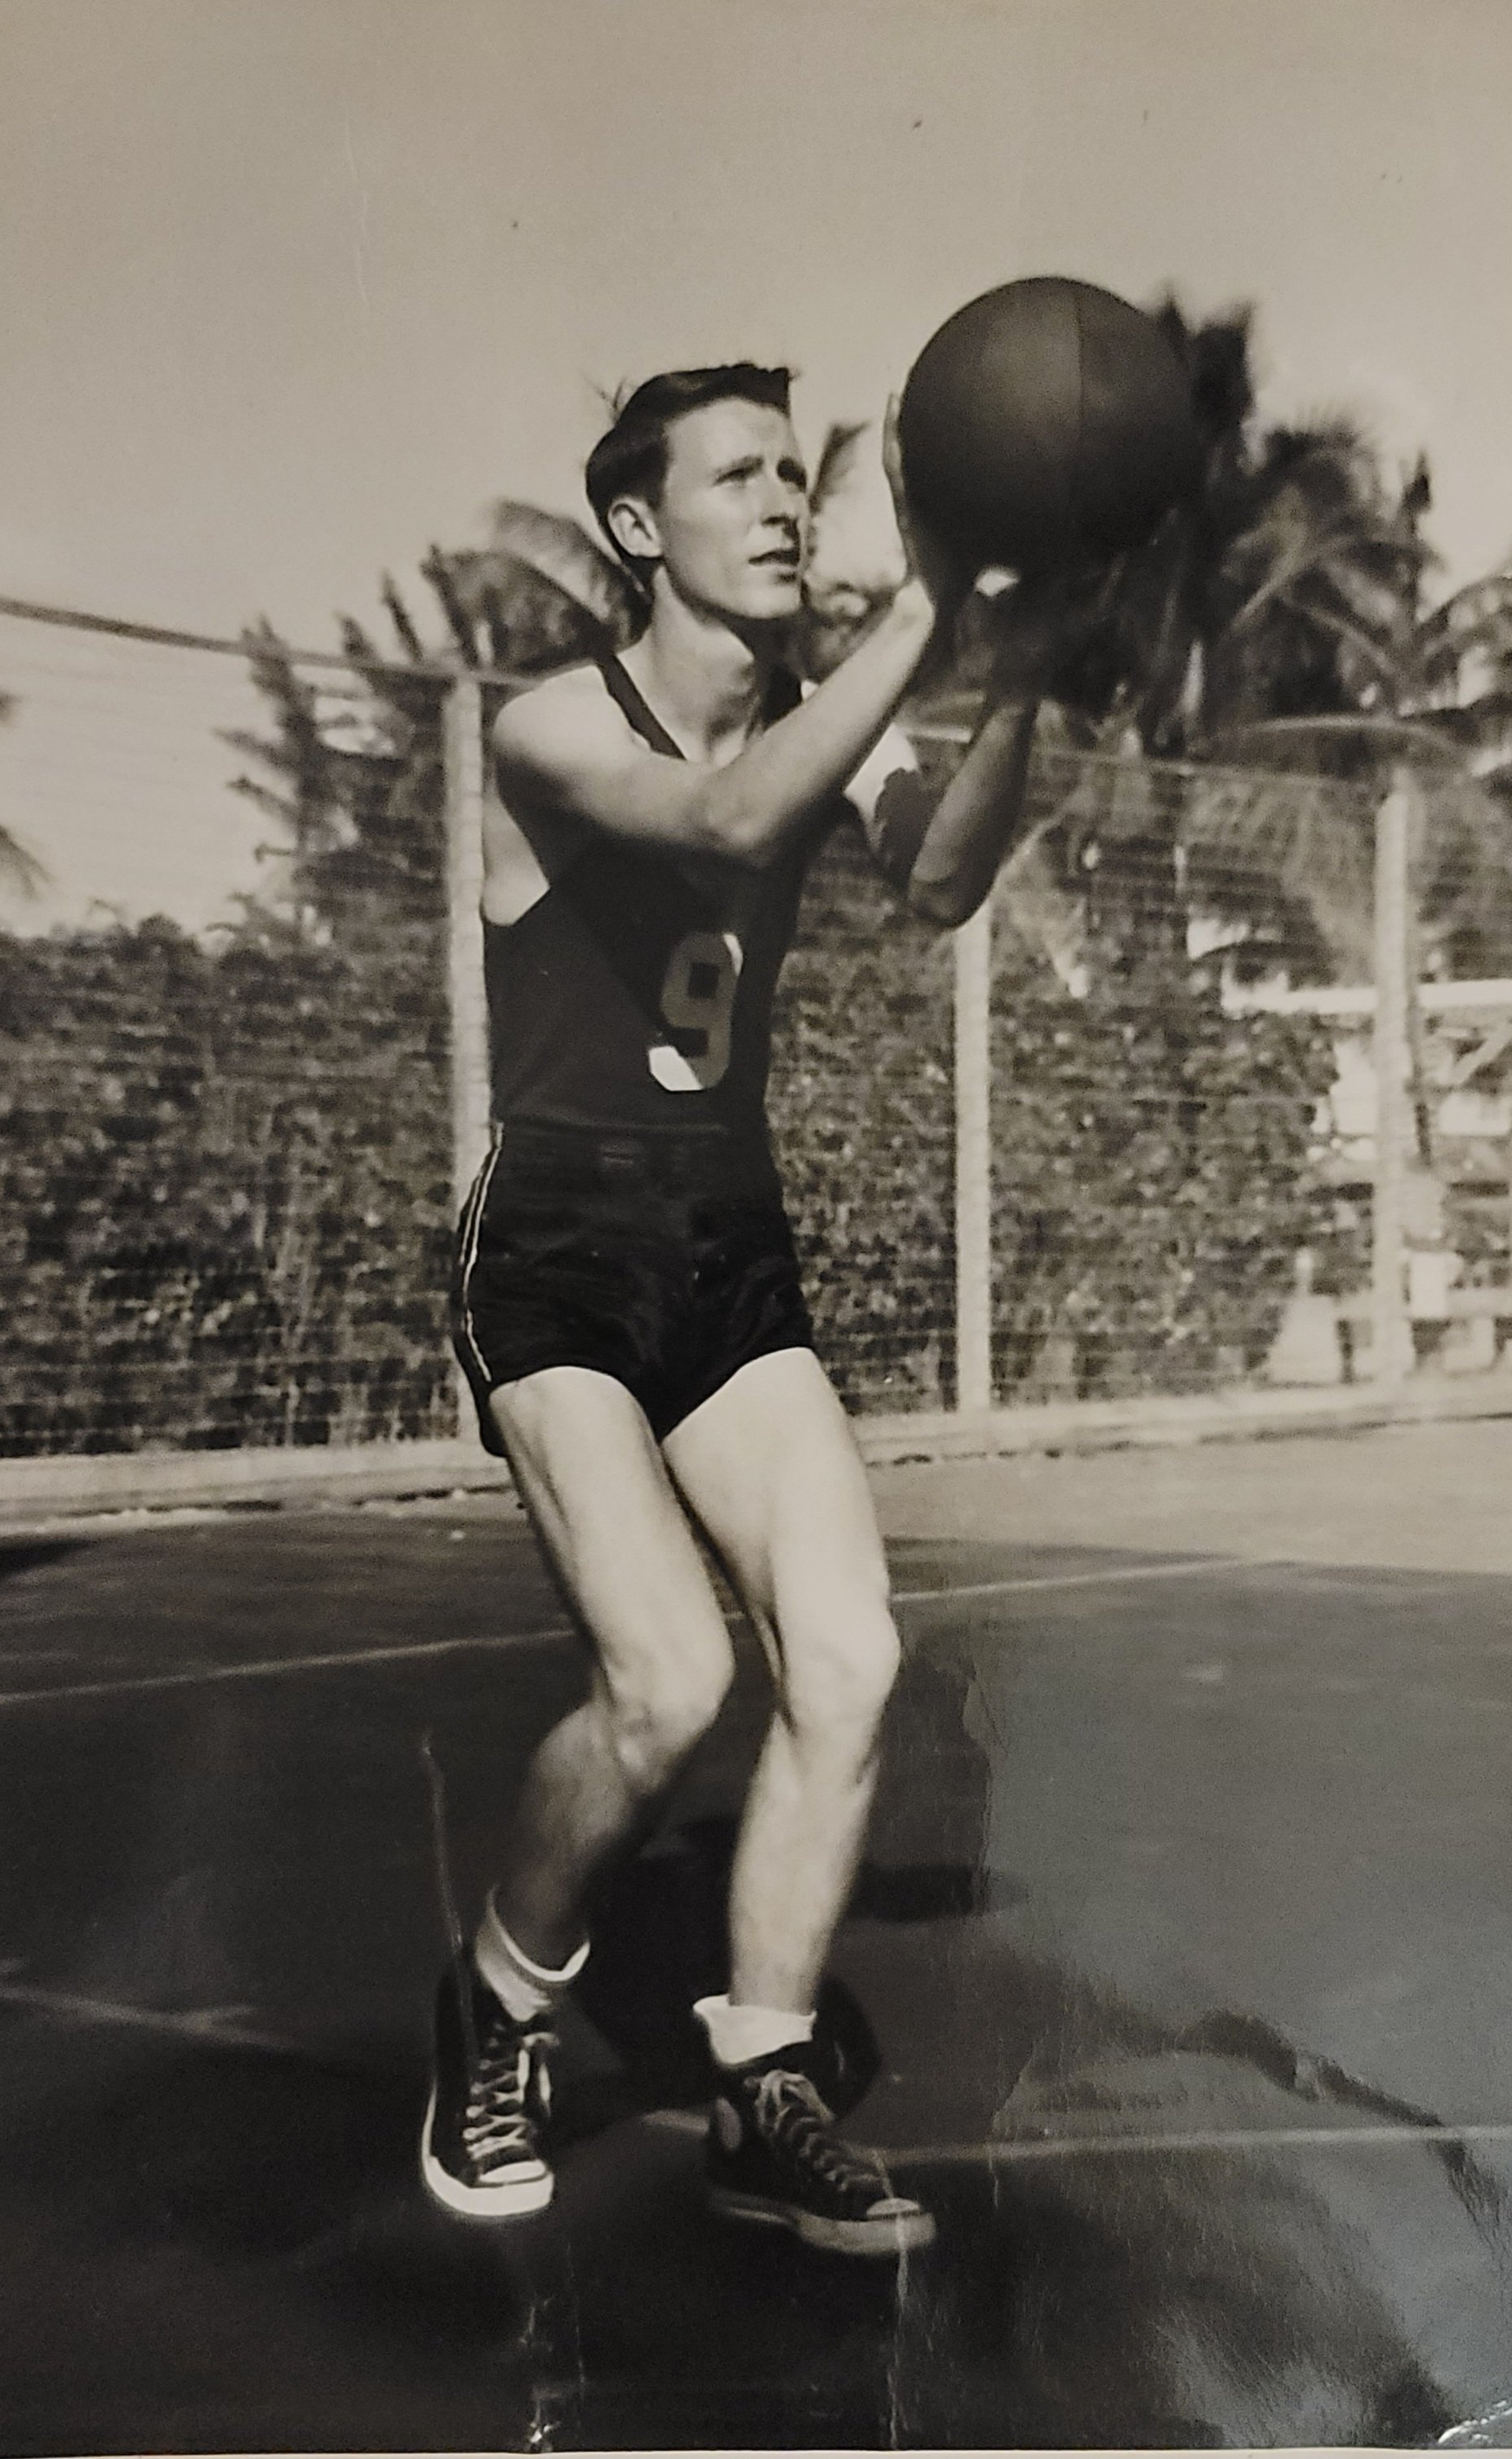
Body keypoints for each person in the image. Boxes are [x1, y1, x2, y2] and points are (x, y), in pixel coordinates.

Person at [425, 363, 1050, 2256]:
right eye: (740, 476)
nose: (788, 502)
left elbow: (937, 877)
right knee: (668, 1685)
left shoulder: (811, 715)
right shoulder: (549, 728)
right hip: (552, 1247)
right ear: (638, 528)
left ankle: (763, 2088)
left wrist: (1027, 669)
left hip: (724, 1241)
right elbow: (720, 830)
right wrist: (937, 603)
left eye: (799, 471)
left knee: (845, 1658)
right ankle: (499, 2009)